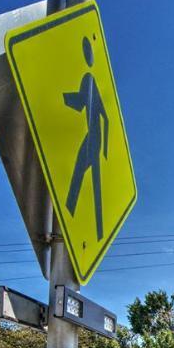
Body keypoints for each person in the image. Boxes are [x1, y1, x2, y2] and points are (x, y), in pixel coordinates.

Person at [62, 35, 109, 239]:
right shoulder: (87, 79)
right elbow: (82, 105)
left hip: (94, 139)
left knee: (84, 179)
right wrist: (63, 98)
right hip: (93, 136)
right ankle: (72, 219)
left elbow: (105, 118)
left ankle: (91, 227)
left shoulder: (90, 80)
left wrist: (105, 150)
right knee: (81, 177)